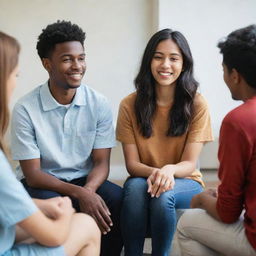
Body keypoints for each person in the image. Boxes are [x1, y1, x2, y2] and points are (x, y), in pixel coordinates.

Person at [10, 20, 123, 256]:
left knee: (116, 199)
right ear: (47, 64)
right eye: (67, 59)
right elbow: (33, 175)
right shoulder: (25, 109)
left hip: (85, 180)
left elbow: (102, 162)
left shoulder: (98, 103)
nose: (77, 66)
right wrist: (78, 194)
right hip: (43, 184)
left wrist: (88, 190)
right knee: (56, 206)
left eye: (81, 58)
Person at [116, 28, 213, 256]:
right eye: (158, 57)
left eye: (173, 58)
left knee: (163, 196)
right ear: (149, 61)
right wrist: (158, 174)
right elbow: (132, 165)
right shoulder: (129, 105)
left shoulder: (197, 104)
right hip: (143, 176)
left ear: (184, 63)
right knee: (134, 188)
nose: (165, 65)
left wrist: (169, 171)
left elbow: (189, 163)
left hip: (186, 181)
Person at [177, 24, 256, 256]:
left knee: (186, 224)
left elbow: (228, 213)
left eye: (223, 70)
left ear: (234, 75)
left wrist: (202, 199)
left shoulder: (239, 121)